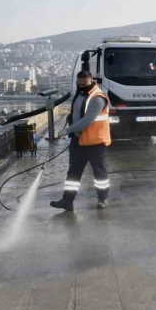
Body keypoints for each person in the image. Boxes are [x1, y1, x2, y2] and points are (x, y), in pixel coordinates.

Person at [50, 70, 111, 211]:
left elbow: (87, 120)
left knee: (99, 173)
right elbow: (78, 111)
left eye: (84, 84)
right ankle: (67, 200)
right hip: (78, 141)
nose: (81, 86)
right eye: (79, 84)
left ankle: (102, 199)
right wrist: (71, 118)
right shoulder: (80, 94)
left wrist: (66, 130)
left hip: (96, 143)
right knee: (73, 172)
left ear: (91, 81)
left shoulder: (98, 97)